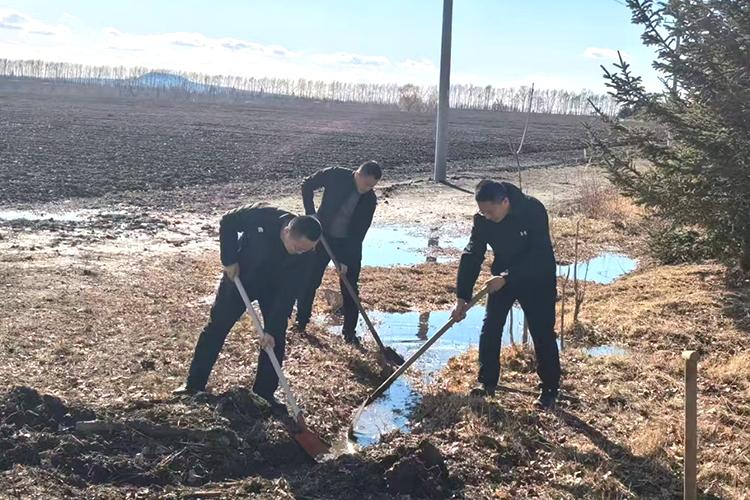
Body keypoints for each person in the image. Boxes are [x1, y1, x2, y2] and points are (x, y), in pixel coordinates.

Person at [174, 203, 321, 409]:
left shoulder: (307, 254)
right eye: (298, 248)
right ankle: (193, 384)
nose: (301, 253)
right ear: (287, 231)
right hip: (242, 278)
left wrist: (271, 329)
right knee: (217, 326)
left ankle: (264, 394)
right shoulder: (263, 215)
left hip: (276, 288)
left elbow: (288, 293)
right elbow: (228, 221)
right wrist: (229, 259)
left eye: (306, 250)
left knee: (275, 338)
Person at [452, 180, 561, 409]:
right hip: (503, 277)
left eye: (490, 212)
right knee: (491, 326)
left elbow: (539, 253)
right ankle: (486, 382)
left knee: (542, 331)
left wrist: (507, 277)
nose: (486, 216)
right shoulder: (483, 219)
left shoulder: (532, 209)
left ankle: (549, 389)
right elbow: (472, 254)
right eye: (482, 212)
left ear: (505, 202)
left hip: (537, 276)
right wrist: (462, 296)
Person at [294, 161, 382, 344]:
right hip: (322, 237)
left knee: (350, 289)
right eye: (366, 184)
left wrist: (345, 262)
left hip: (348, 245)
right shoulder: (336, 175)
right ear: (358, 174)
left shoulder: (369, 201)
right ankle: (300, 323)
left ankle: (349, 334)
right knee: (309, 281)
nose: (367, 189)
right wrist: (310, 214)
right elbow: (307, 185)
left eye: (372, 186)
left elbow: (358, 234)